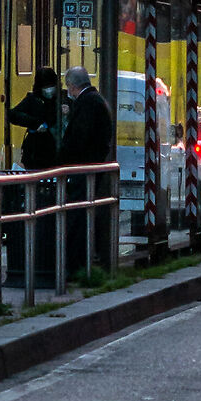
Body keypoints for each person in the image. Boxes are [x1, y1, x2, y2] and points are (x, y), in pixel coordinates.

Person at [6, 65, 62, 288]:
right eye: (45, 85)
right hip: (35, 153)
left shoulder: (62, 100)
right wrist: (34, 124)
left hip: (55, 155)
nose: (49, 90)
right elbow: (12, 114)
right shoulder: (32, 100)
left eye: (51, 85)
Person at [58, 64, 115, 279]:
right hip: (91, 166)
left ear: (72, 86)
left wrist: (62, 159)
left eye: (69, 88)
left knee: (77, 216)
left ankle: (74, 265)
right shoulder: (96, 100)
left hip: (83, 168)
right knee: (81, 213)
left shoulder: (87, 103)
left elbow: (78, 139)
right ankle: (79, 264)